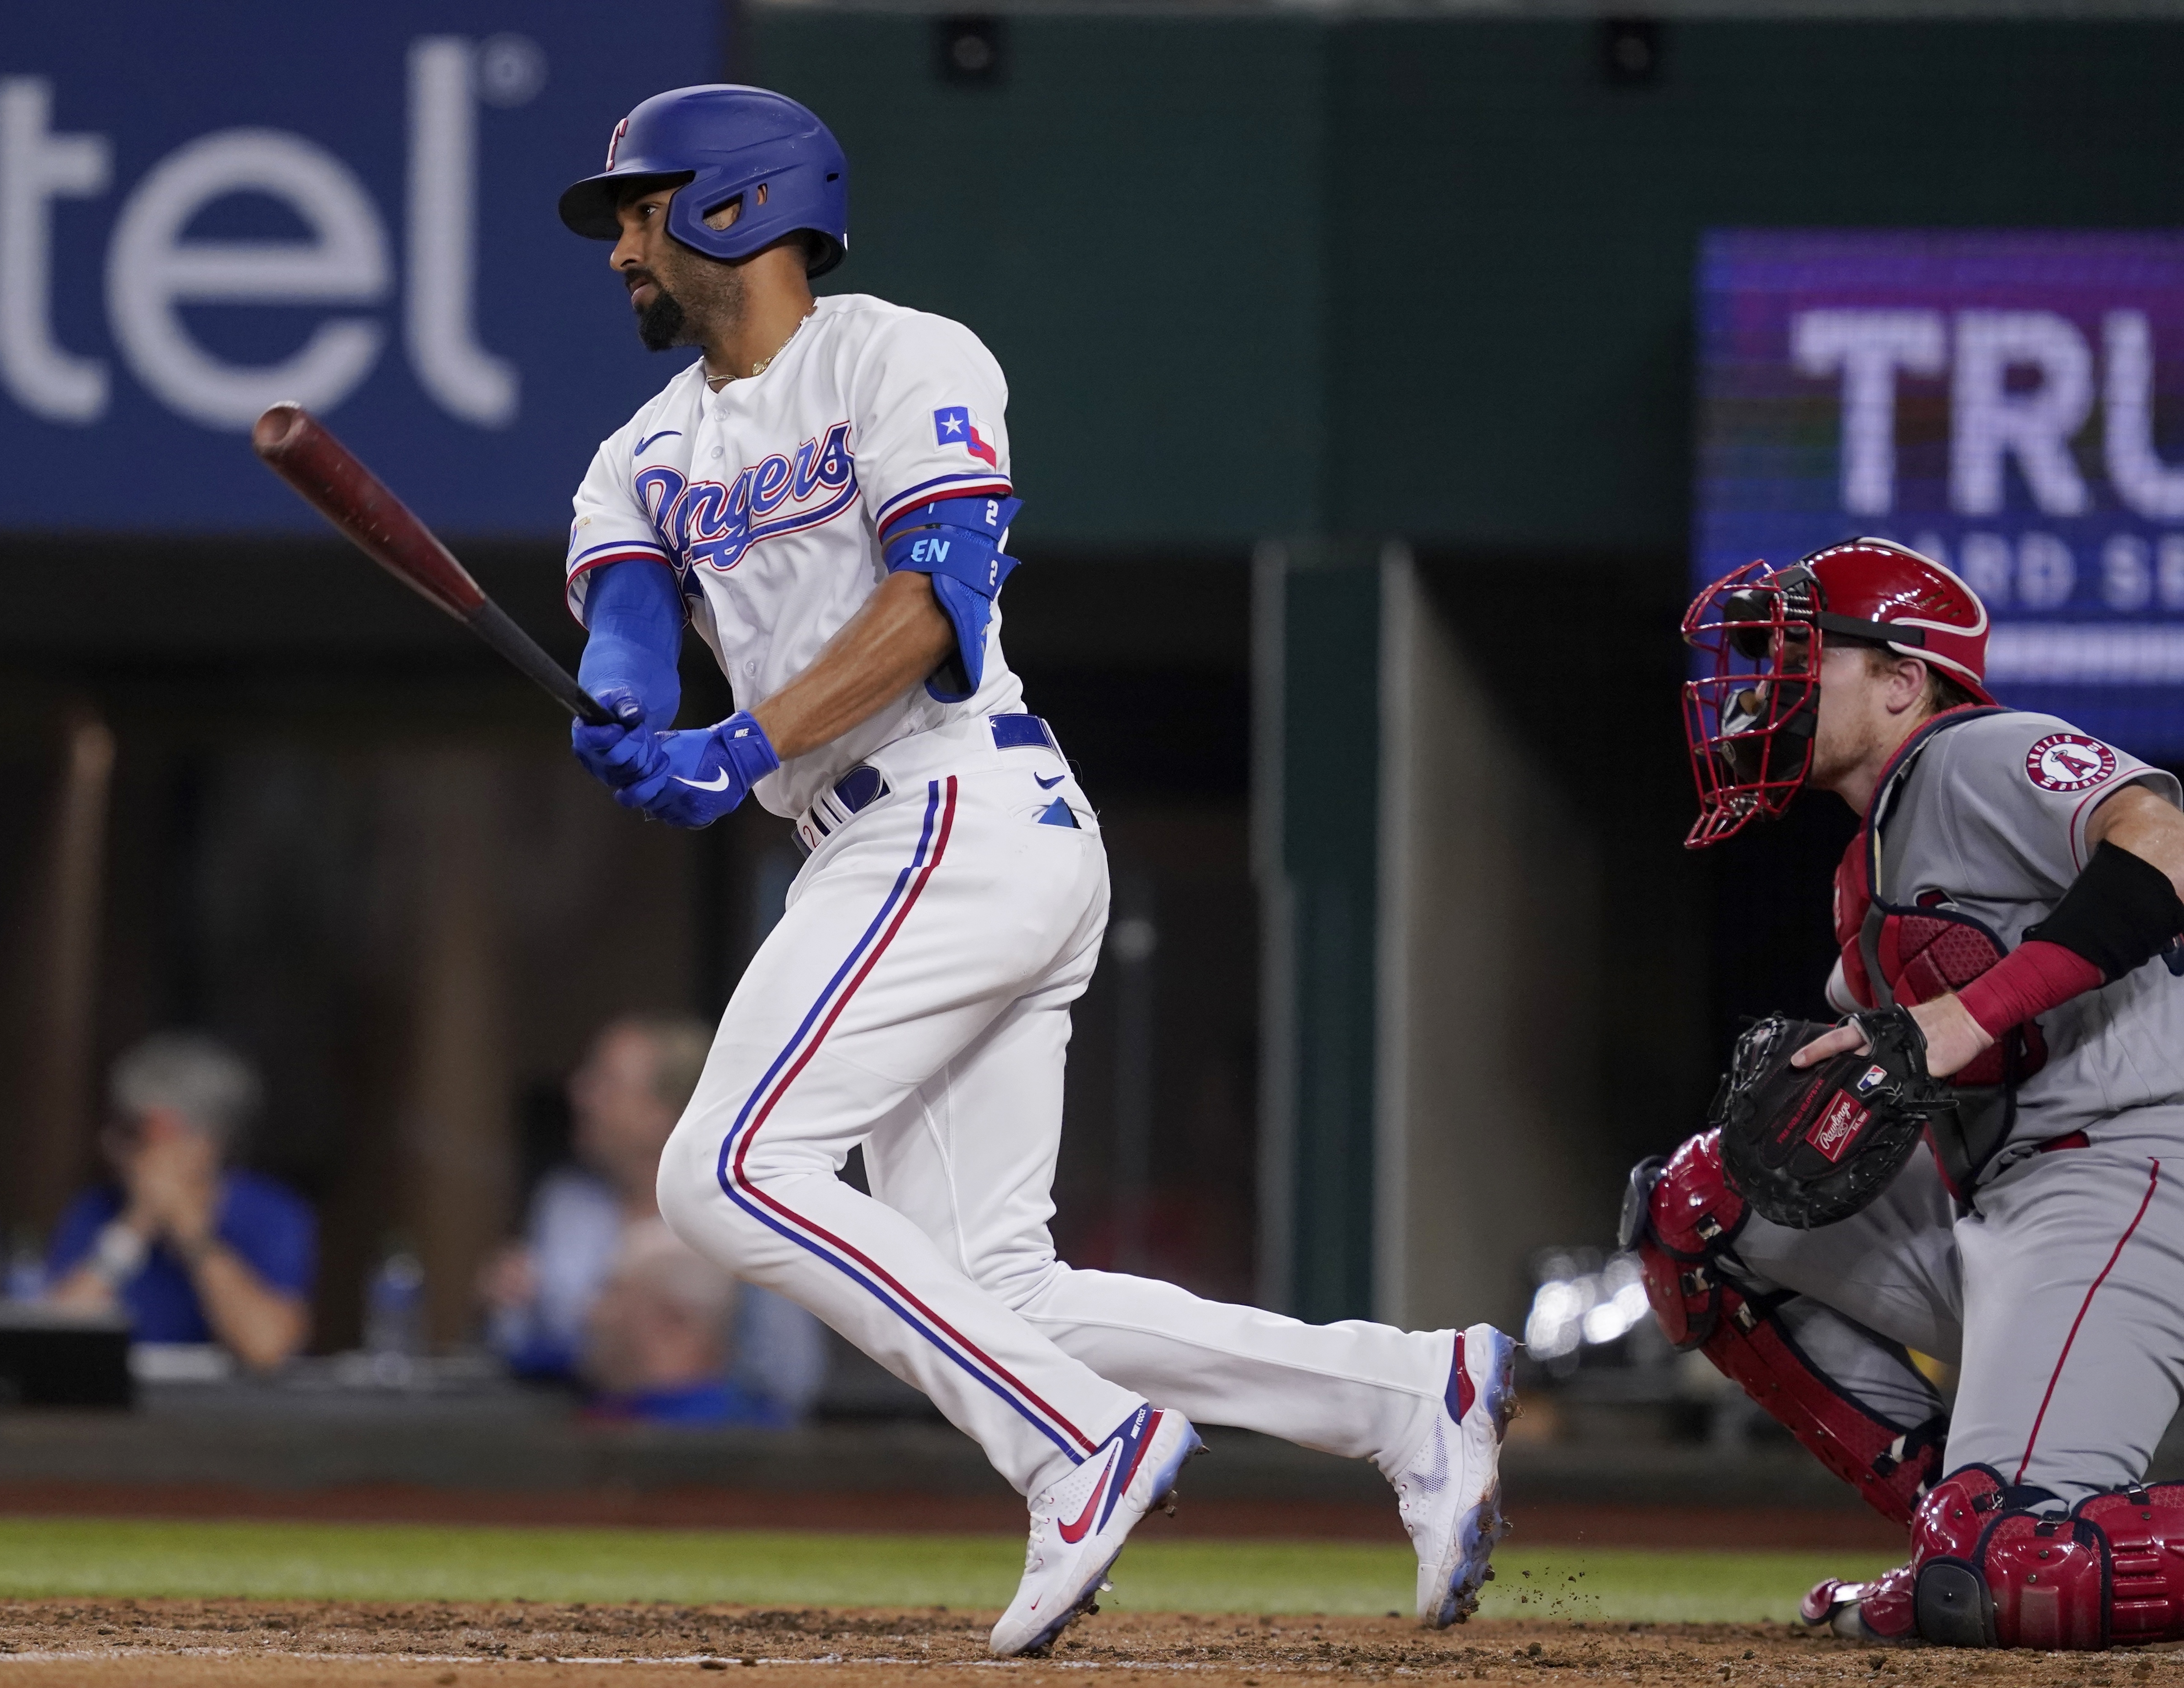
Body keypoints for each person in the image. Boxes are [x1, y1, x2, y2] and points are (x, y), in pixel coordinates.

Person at [553, 84, 1515, 1656]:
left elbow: (936, 613)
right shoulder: (641, 454)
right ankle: (1416, 1393)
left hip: (954, 811)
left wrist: (735, 746)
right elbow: (629, 633)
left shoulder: (904, 354)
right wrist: (623, 712)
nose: (619, 254)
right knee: (997, 1282)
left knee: (719, 1171)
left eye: (638, 213)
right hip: (881, 843)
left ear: (733, 203)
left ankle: (1073, 1440)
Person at [1629, 538, 2184, 1650]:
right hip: (2015, 1204)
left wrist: (1969, 1016)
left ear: (1900, 679)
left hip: (2127, 1170)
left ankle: (1989, 1551)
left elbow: (2166, 845)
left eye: (1800, 655)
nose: (1764, 687)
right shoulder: (1871, 863)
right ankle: (1960, 1532)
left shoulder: (1973, 750)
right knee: (1702, 1212)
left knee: (2026, 1570)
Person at [483, 1014, 827, 1417]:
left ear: (663, 1113)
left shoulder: (750, 1218)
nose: (581, 1094)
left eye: (606, 1082)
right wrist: (512, 1308)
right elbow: (531, 1343)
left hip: (716, 1450)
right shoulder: (568, 1207)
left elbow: (792, 1379)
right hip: (585, 1440)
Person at [46, 1033, 314, 1372]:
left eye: (134, 1132)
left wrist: (191, 1232)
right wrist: (134, 1228)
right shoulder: (98, 1208)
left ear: (203, 1144)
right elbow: (53, 1338)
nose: (110, 1144)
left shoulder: (271, 1214)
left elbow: (266, 1348)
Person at [578, 1219, 785, 1427]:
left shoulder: (616, 1433)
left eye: (613, 1291)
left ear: (671, 1323)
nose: (592, 1313)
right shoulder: (775, 1428)